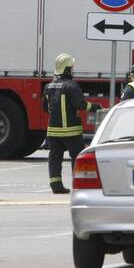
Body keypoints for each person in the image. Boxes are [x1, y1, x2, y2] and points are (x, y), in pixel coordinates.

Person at [43, 53, 99, 194]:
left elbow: (45, 107)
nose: (73, 70)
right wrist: (95, 107)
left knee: (55, 158)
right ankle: (78, 185)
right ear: (67, 70)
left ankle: (56, 186)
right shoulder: (72, 86)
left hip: (53, 131)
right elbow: (80, 104)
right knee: (77, 157)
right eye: (71, 68)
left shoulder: (49, 86)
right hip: (71, 131)